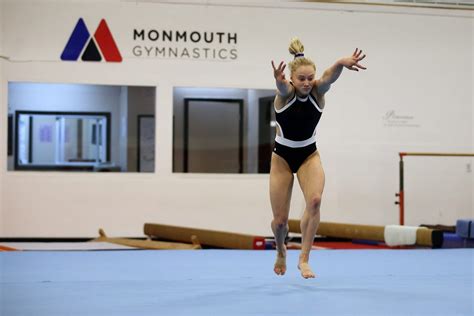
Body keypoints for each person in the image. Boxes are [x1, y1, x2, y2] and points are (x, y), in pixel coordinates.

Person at [270, 38, 366, 279]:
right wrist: (278, 81)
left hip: (308, 154)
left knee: (314, 201)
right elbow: (282, 88)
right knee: (280, 222)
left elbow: (328, 77)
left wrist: (341, 63)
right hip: (282, 157)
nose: (306, 82)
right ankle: (281, 248)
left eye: (309, 78)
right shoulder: (284, 95)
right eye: (301, 78)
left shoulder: (317, 92)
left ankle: (304, 258)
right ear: (292, 79)